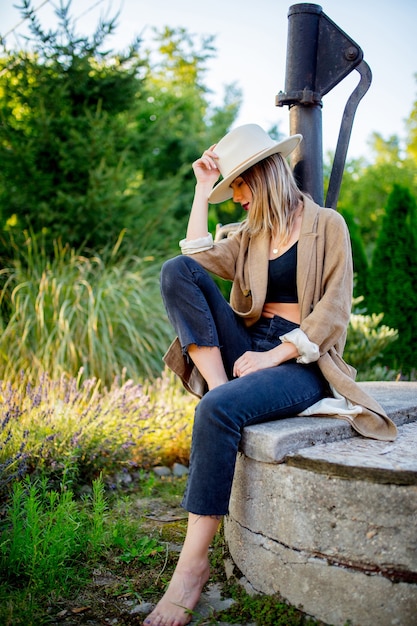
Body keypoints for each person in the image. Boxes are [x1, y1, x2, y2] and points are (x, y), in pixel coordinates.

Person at [143, 124, 397, 626]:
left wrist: (272, 356)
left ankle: (190, 570)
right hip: (245, 349)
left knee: (219, 413)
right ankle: (221, 390)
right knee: (175, 270)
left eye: (236, 186)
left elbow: (334, 310)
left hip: (302, 360)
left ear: (259, 176)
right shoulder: (250, 235)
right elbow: (193, 262)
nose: (233, 198)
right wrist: (200, 187)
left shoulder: (328, 225)